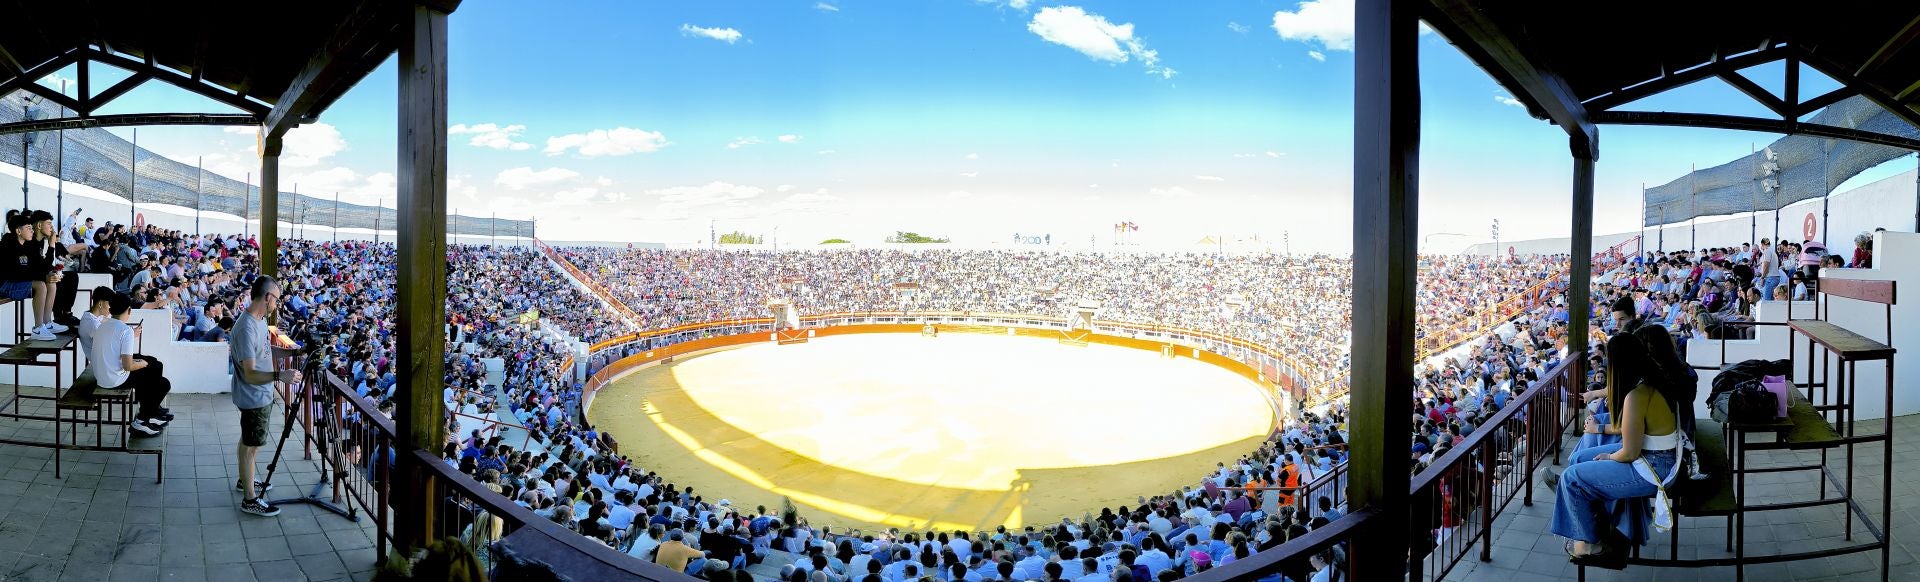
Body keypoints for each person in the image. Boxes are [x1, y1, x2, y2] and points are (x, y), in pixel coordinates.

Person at [1551, 333, 1682, 566]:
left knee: (1571, 478)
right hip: (1660, 457)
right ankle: (1587, 515)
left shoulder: (1637, 395)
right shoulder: (1652, 381)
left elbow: (1629, 453)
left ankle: (1587, 546)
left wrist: (1609, 457)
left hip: (1655, 468)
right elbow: (1632, 429)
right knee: (1578, 459)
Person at [230, 274, 301, 517]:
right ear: (268, 297)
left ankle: (245, 481)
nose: (277, 304)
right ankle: (250, 499)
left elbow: (263, 350)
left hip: (258, 395)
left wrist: (287, 353)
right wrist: (280, 376)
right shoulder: (246, 328)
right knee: (251, 447)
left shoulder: (259, 321)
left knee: (248, 442)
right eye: (277, 300)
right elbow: (250, 373)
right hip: (253, 396)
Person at [91, 291, 171, 436]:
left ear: (111, 309)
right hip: (115, 380)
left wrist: (142, 361)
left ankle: (150, 411)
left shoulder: (101, 325)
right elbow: (128, 366)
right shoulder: (125, 330)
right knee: (163, 383)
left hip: (102, 376)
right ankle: (142, 420)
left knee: (154, 364)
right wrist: (143, 363)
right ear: (129, 310)